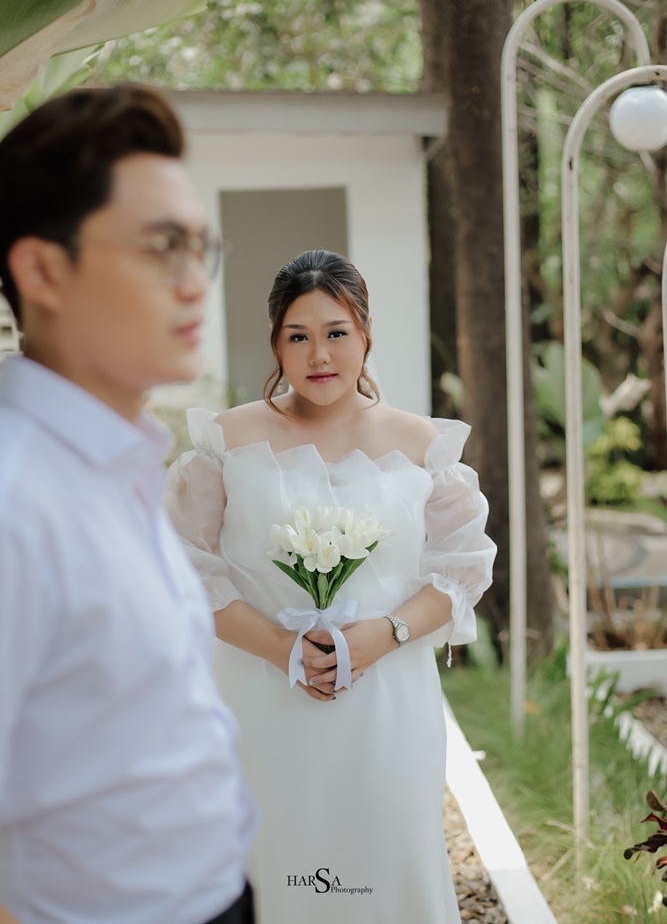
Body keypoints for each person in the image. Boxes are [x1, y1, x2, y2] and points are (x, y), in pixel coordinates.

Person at [167, 249, 496, 923]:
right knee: (275, 860)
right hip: (260, 693)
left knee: (383, 862)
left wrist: (385, 634)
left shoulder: (421, 445)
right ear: (276, 345)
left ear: (365, 334)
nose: (318, 354)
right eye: (298, 336)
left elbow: (461, 567)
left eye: (335, 332)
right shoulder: (225, 441)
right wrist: (281, 647)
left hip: (385, 696)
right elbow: (184, 569)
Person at [0, 85, 257, 924]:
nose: (193, 284)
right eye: (161, 247)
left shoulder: (121, 465)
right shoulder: (16, 500)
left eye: (199, 248)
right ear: (43, 270)